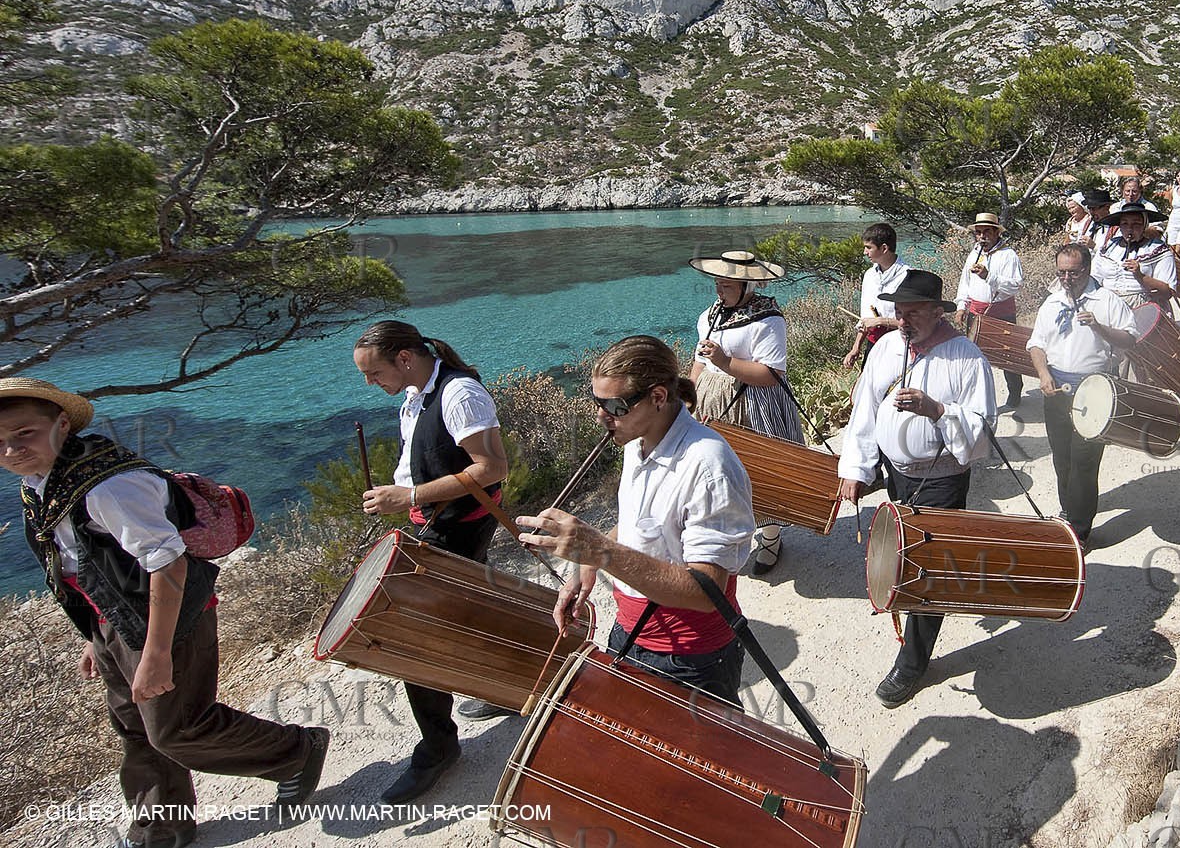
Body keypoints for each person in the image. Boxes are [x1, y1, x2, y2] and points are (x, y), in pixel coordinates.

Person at [3, 378, 329, 848]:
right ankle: (161, 829)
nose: (11, 450)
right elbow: (76, 563)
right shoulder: (43, 483)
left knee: (178, 729)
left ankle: (296, 751)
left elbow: (168, 563)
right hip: (115, 617)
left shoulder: (107, 487)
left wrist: (156, 653)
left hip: (167, 617)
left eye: (24, 433)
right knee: (134, 727)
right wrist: (93, 635)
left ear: (61, 425)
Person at [519, 335, 755, 704]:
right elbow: (640, 524)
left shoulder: (709, 466)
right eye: (597, 403)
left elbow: (706, 591)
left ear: (658, 397)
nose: (601, 416)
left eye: (614, 406)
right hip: (630, 632)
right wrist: (587, 564)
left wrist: (601, 552)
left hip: (690, 656)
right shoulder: (637, 442)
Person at [352, 320, 511, 800]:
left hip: (456, 524)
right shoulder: (415, 393)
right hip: (439, 519)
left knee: (413, 636)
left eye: (374, 372)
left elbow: (493, 467)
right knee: (472, 609)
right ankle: (509, 686)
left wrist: (411, 496)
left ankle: (438, 748)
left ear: (404, 359)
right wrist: (404, 494)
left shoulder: (459, 394)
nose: (370, 383)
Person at [836, 270, 995, 708]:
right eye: (899, 313)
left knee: (930, 568)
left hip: (942, 479)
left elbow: (983, 433)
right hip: (897, 476)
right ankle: (914, 623)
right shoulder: (886, 348)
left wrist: (938, 410)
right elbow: (865, 411)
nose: (903, 321)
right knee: (904, 556)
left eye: (913, 313)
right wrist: (857, 468)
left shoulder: (967, 358)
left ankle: (912, 663)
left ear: (938, 311)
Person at [688, 250, 803, 575]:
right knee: (719, 473)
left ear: (746, 286)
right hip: (713, 403)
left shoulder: (768, 319)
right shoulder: (710, 316)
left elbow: (771, 374)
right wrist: (689, 396)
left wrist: (725, 362)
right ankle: (730, 535)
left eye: (726, 285)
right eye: (717, 283)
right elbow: (699, 361)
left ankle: (770, 536)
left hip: (754, 405)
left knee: (760, 472)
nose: (718, 290)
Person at [1027, 245, 1139, 546]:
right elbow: (1036, 344)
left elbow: (1130, 339)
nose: (1066, 279)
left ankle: (1079, 531)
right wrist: (1043, 374)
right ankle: (1068, 511)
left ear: (1087, 270)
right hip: (1056, 389)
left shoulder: (1107, 300)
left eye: (1073, 273)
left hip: (1095, 390)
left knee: (1085, 461)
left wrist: (1099, 327)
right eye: (1061, 272)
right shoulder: (1052, 302)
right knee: (1062, 457)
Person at [954, 213, 1025, 409]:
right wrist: (961, 306)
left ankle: (1015, 392)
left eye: (986, 232)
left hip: (1001, 311)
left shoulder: (1008, 255)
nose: (982, 236)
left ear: (996, 233)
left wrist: (989, 276)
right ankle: (976, 397)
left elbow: (1015, 286)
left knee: (1007, 356)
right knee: (974, 356)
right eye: (978, 233)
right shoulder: (974, 253)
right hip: (976, 312)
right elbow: (965, 282)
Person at [842, 223, 909, 370]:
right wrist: (855, 348)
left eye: (869, 247)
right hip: (873, 345)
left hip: (899, 347)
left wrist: (882, 321)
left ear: (884, 248)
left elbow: (913, 322)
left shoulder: (907, 276)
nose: (865, 252)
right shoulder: (870, 275)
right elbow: (865, 318)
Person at [1091, 199, 1178, 309]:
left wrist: (1140, 275)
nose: (1130, 228)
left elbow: (1167, 292)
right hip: (1109, 304)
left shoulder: (1158, 249)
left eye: (1136, 224)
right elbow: (1095, 278)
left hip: (1144, 306)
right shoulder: (1109, 247)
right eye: (1125, 223)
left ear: (1144, 225)